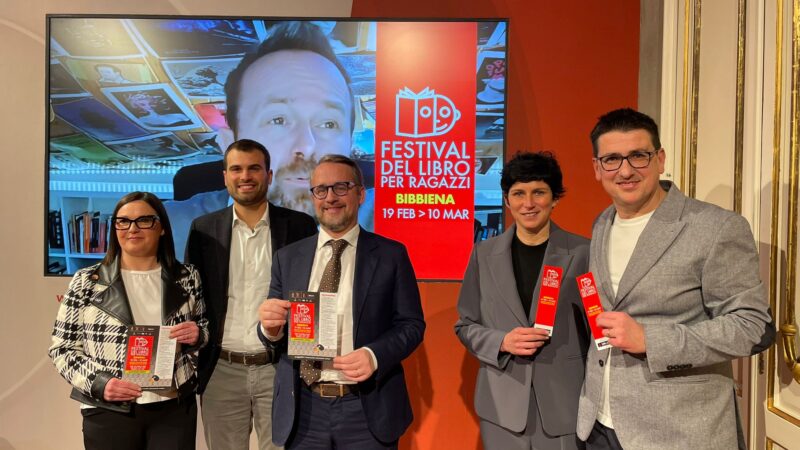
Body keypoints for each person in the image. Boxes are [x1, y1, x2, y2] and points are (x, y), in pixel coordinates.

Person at [576, 108, 776, 449]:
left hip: (677, 432)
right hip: (600, 424)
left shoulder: (716, 227)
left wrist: (651, 340)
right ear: (597, 168)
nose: (625, 170)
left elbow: (753, 327)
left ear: (660, 159)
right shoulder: (603, 222)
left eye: (638, 155)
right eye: (611, 159)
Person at [257, 154, 425, 449]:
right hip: (303, 409)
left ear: (360, 194)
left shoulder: (391, 255)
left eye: (341, 187)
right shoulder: (288, 257)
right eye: (321, 190)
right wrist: (270, 329)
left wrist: (373, 355)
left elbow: (411, 325)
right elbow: (275, 333)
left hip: (365, 407)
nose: (330, 197)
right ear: (313, 197)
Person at [166, 21, 373, 257]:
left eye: (328, 123)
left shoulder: (389, 221)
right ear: (229, 143)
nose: (307, 145)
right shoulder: (166, 231)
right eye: (278, 120)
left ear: (350, 144)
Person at [184, 138, 317, 450]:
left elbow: (313, 296)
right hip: (222, 368)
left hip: (279, 367)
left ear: (268, 175)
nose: (245, 176)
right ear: (225, 177)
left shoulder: (300, 226)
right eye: (236, 169)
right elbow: (192, 298)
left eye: (254, 168)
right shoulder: (203, 229)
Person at [49, 191, 208, 450]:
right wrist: (100, 383)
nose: (132, 228)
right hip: (109, 409)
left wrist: (197, 335)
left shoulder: (187, 277)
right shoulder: (86, 281)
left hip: (173, 408)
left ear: (162, 228)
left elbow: (203, 330)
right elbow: (62, 349)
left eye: (144, 220)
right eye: (123, 221)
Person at [455, 151, 590, 450]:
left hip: (565, 404)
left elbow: (597, 330)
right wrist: (502, 342)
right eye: (518, 194)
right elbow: (465, 325)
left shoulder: (584, 253)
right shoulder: (483, 254)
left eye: (539, 192)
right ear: (507, 200)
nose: (528, 203)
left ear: (555, 198)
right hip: (501, 408)